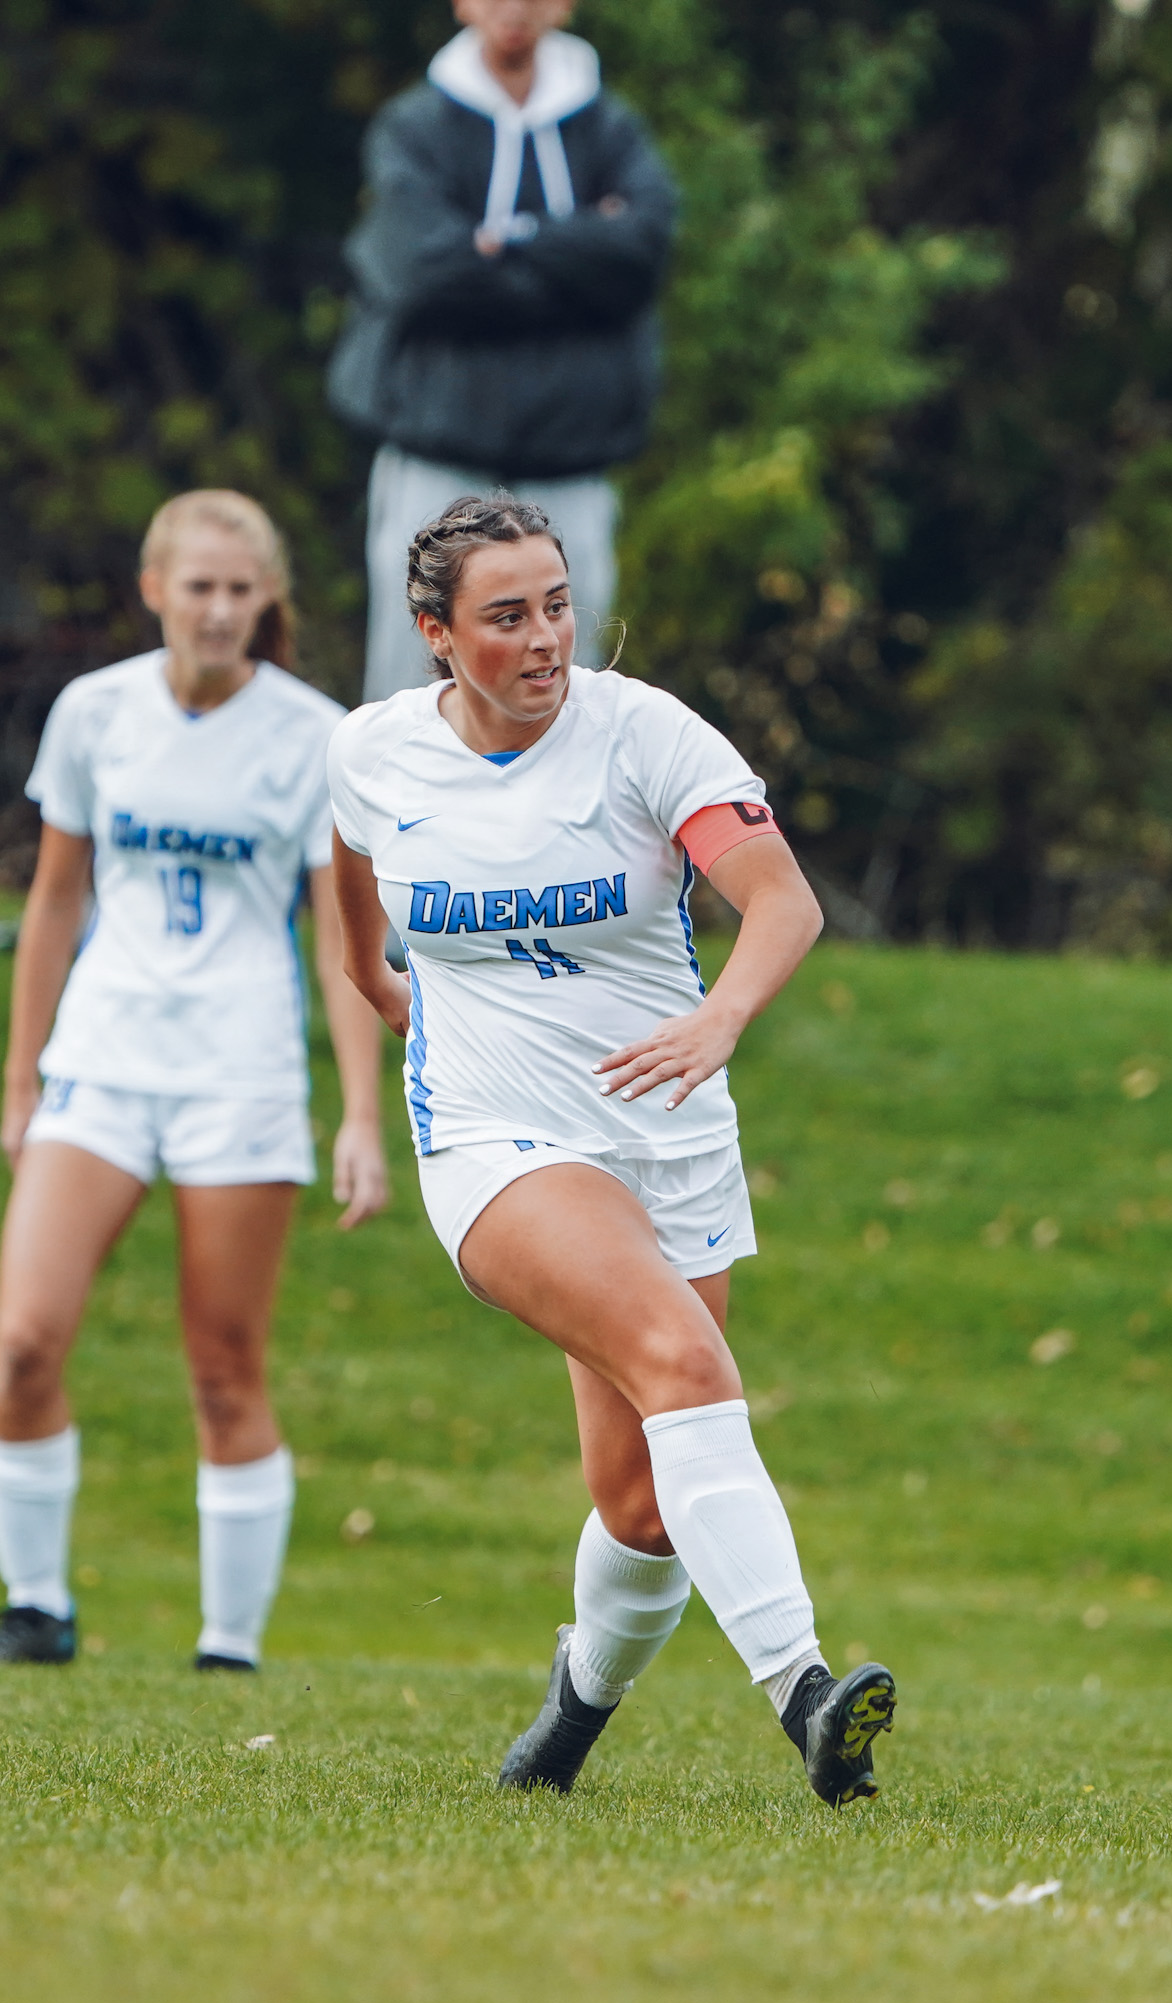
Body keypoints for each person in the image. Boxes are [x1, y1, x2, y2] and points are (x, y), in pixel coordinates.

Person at [328, 495, 897, 1806]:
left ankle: (570, 1719)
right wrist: (369, 972)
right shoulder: (372, 752)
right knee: (685, 1363)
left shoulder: (640, 733)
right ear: (434, 634)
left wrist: (720, 1013)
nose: (544, 639)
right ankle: (807, 1699)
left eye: (556, 603)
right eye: (505, 616)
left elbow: (779, 902)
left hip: (670, 1140)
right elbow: (348, 858)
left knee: (641, 1504)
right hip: (492, 1143)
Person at [0, 490, 387, 1674]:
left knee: (223, 1363)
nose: (221, 610)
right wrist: (21, 1077)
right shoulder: (94, 712)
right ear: (154, 590)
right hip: (102, 1059)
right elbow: (53, 901)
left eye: (243, 591)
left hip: (237, 1075)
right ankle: (35, 1609)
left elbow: (341, 940)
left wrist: (358, 1111)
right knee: (27, 1340)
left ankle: (225, 1646)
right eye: (199, 587)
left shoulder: (313, 735)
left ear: (268, 602)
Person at [327, 0, 675, 701]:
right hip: (437, 449)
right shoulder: (415, 126)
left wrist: (503, 240)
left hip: (570, 458)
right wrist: (577, 253)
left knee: (565, 691)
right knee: (411, 693)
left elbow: (640, 253)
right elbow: (420, 273)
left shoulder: (608, 128)